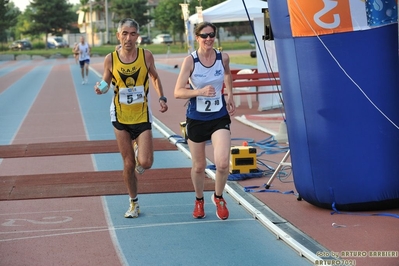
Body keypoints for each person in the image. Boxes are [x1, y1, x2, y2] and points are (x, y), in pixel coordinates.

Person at [94, 18, 168, 218]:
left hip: (142, 114)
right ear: (118, 35)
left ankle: (138, 151)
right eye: (124, 33)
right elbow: (106, 82)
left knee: (145, 163)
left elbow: (154, 76)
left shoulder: (146, 56)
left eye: (132, 33)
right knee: (128, 163)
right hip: (120, 116)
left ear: (137, 36)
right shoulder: (111, 58)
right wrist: (100, 88)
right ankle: (133, 203)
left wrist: (161, 97)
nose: (128, 38)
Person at [174, 22, 236, 220]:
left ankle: (218, 197)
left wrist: (230, 95)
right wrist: (199, 91)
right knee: (199, 166)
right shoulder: (190, 61)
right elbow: (177, 92)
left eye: (211, 35)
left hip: (218, 116)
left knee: (223, 163)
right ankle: (199, 200)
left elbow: (227, 74)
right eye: (204, 35)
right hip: (196, 118)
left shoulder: (223, 57)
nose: (208, 39)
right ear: (197, 38)